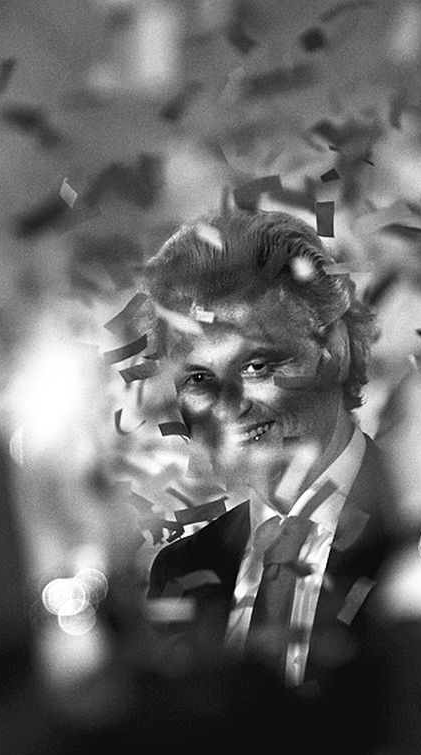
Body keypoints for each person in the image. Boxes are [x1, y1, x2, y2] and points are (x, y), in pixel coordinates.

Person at [141, 208, 391, 691]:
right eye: (198, 379)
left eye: (257, 366)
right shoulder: (179, 571)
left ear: (335, 349)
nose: (230, 407)